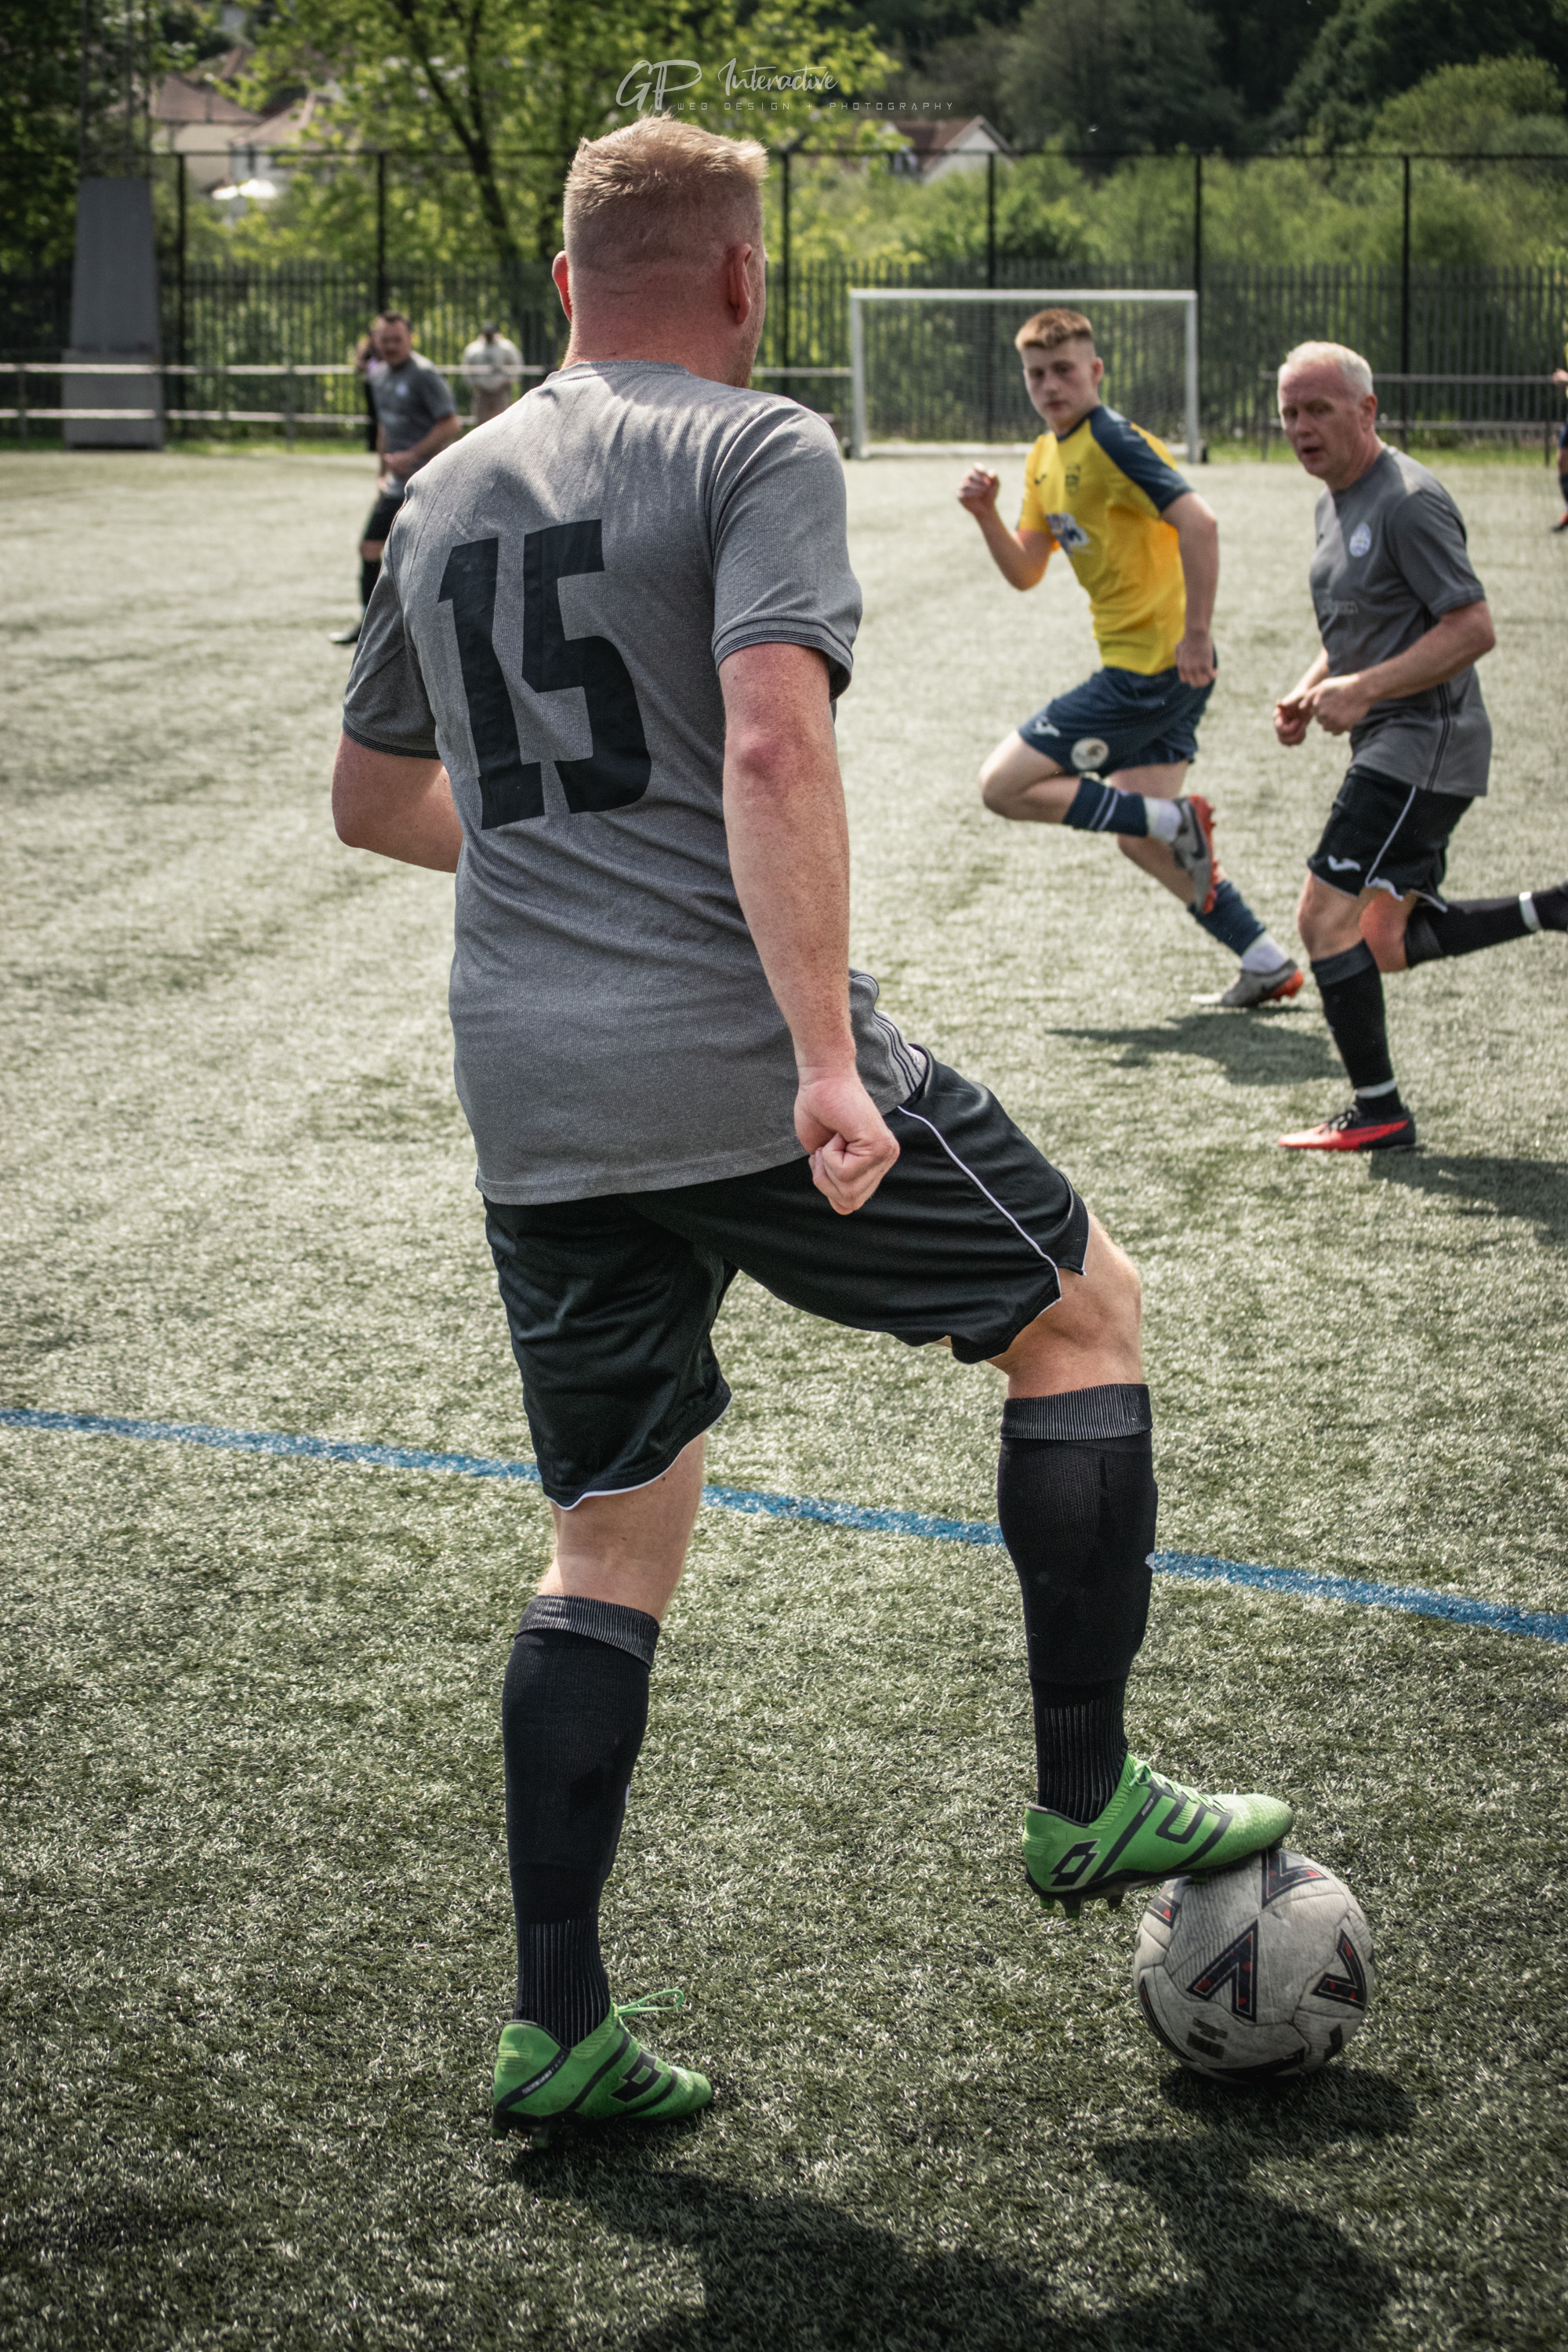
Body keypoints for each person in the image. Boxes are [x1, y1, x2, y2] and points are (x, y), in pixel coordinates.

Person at [332, 115, 1292, 2147]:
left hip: (531, 1086)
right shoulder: (754, 445)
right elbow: (771, 738)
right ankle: (1083, 1788)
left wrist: (567, 881)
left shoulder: (429, 489)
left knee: (612, 1527)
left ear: (575, 278)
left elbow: (373, 800)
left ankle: (557, 2027)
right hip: (736, 1056)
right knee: (1081, 1311)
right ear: (747, 277)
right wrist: (821, 1058)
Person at [1272, 341, 1568, 1152]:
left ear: (1365, 412)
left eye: (1318, 409)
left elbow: (1471, 629)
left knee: (1321, 918)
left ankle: (1378, 1112)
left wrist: (1363, 691)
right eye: (1289, 412)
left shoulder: (1406, 502)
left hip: (1422, 745)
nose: (1301, 426)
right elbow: (1366, 625)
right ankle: (1546, 909)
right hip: (1393, 741)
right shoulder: (1332, 499)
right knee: (1381, 943)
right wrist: (1310, 689)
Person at [960, 311, 1301, 1009]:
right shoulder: (1042, 457)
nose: (1050, 385)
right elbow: (1027, 570)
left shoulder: (1114, 439)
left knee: (1004, 786)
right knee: (1138, 836)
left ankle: (1177, 821)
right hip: (1154, 669)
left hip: (1153, 669)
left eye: (1064, 369)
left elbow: (1198, 521)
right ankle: (1265, 960)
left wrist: (1197, 633)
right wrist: (988, 515)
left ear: (1095, 372)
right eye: (1036, 373)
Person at [327, 310, 460, 648]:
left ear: (410, 339)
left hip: (429, 481)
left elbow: (450, 424)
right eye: (384, 340)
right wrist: (382, 474)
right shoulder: (378, 376)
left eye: (397, 339)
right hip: (396, 485)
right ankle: (370, 626)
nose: (391, 346)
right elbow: (385, 426)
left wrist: (412, 455)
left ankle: (435, 629)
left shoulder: (425, 374)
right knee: (371, 547)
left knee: (430, 557)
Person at [462, 321, 526, 426]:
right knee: (480, 422)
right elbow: (466, 367)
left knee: (503, 420)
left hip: (500, 390)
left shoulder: (506, 347)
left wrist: (509, 380)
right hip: (482, 390)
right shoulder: (474, 349)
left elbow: (517, 364)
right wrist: (473, 383)